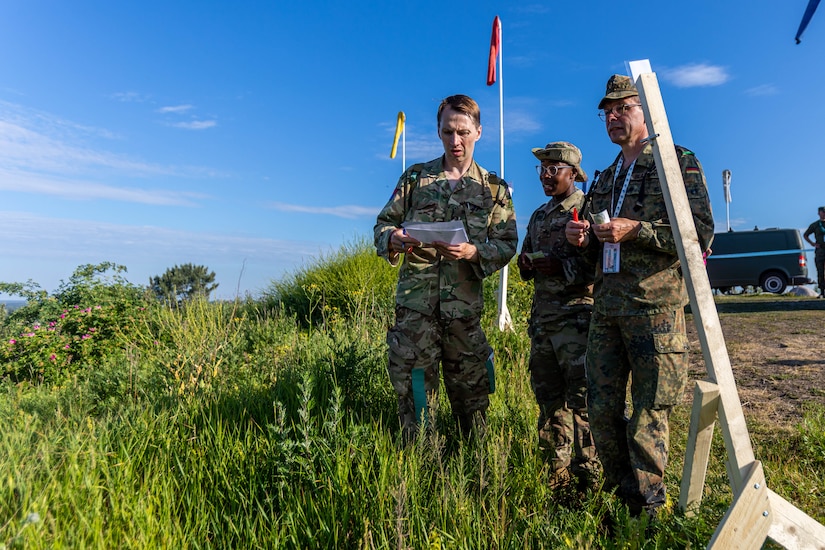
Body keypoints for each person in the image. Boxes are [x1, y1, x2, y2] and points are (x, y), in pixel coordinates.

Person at [565, 75, 714, 516]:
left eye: (623, 108)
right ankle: (621, 499)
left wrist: (638, 230)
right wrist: (581, 237)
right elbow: (594, 243)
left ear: (645, 110)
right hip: (607, 309)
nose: (613, 117)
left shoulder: (675, 161)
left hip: (655, 309)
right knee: (602, 409)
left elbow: (699, 233)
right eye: (606, 111)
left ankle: (650, 513)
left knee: (650, 414)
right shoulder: (606, 175)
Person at [374, 94, 518, 442]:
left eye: (463, 132)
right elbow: (382, 226)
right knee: (416, 396)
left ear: (479, 132)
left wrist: (472, 252)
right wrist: (393, 239)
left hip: (464, 315)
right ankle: (419, 469)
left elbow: (506, 244)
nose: (456, 141)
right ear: (439, 132)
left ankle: (476, 471)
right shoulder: (415, 179)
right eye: (448, 132)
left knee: (472, 400)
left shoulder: (494, 190)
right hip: (416, 313)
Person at [518, 142, 599, 488]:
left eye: (554, 169)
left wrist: (561, 266)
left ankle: (589, 474)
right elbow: (525, 259)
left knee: (582, 400)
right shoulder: (538, 216)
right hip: (543, 322)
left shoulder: (588, 210)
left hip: (577, 321)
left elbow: (599, 267)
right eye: (542, 170)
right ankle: (556, 472)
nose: (546, 176)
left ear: (574, 174)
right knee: (549, 400)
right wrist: (526, 264)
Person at [803, 206, 825, 298]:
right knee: (820, 272)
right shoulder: (815, 225)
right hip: (820, 250)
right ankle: (822, 291)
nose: (824, 213)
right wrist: (812, 243)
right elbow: (806, 235)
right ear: (819, 213)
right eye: (822, 212)